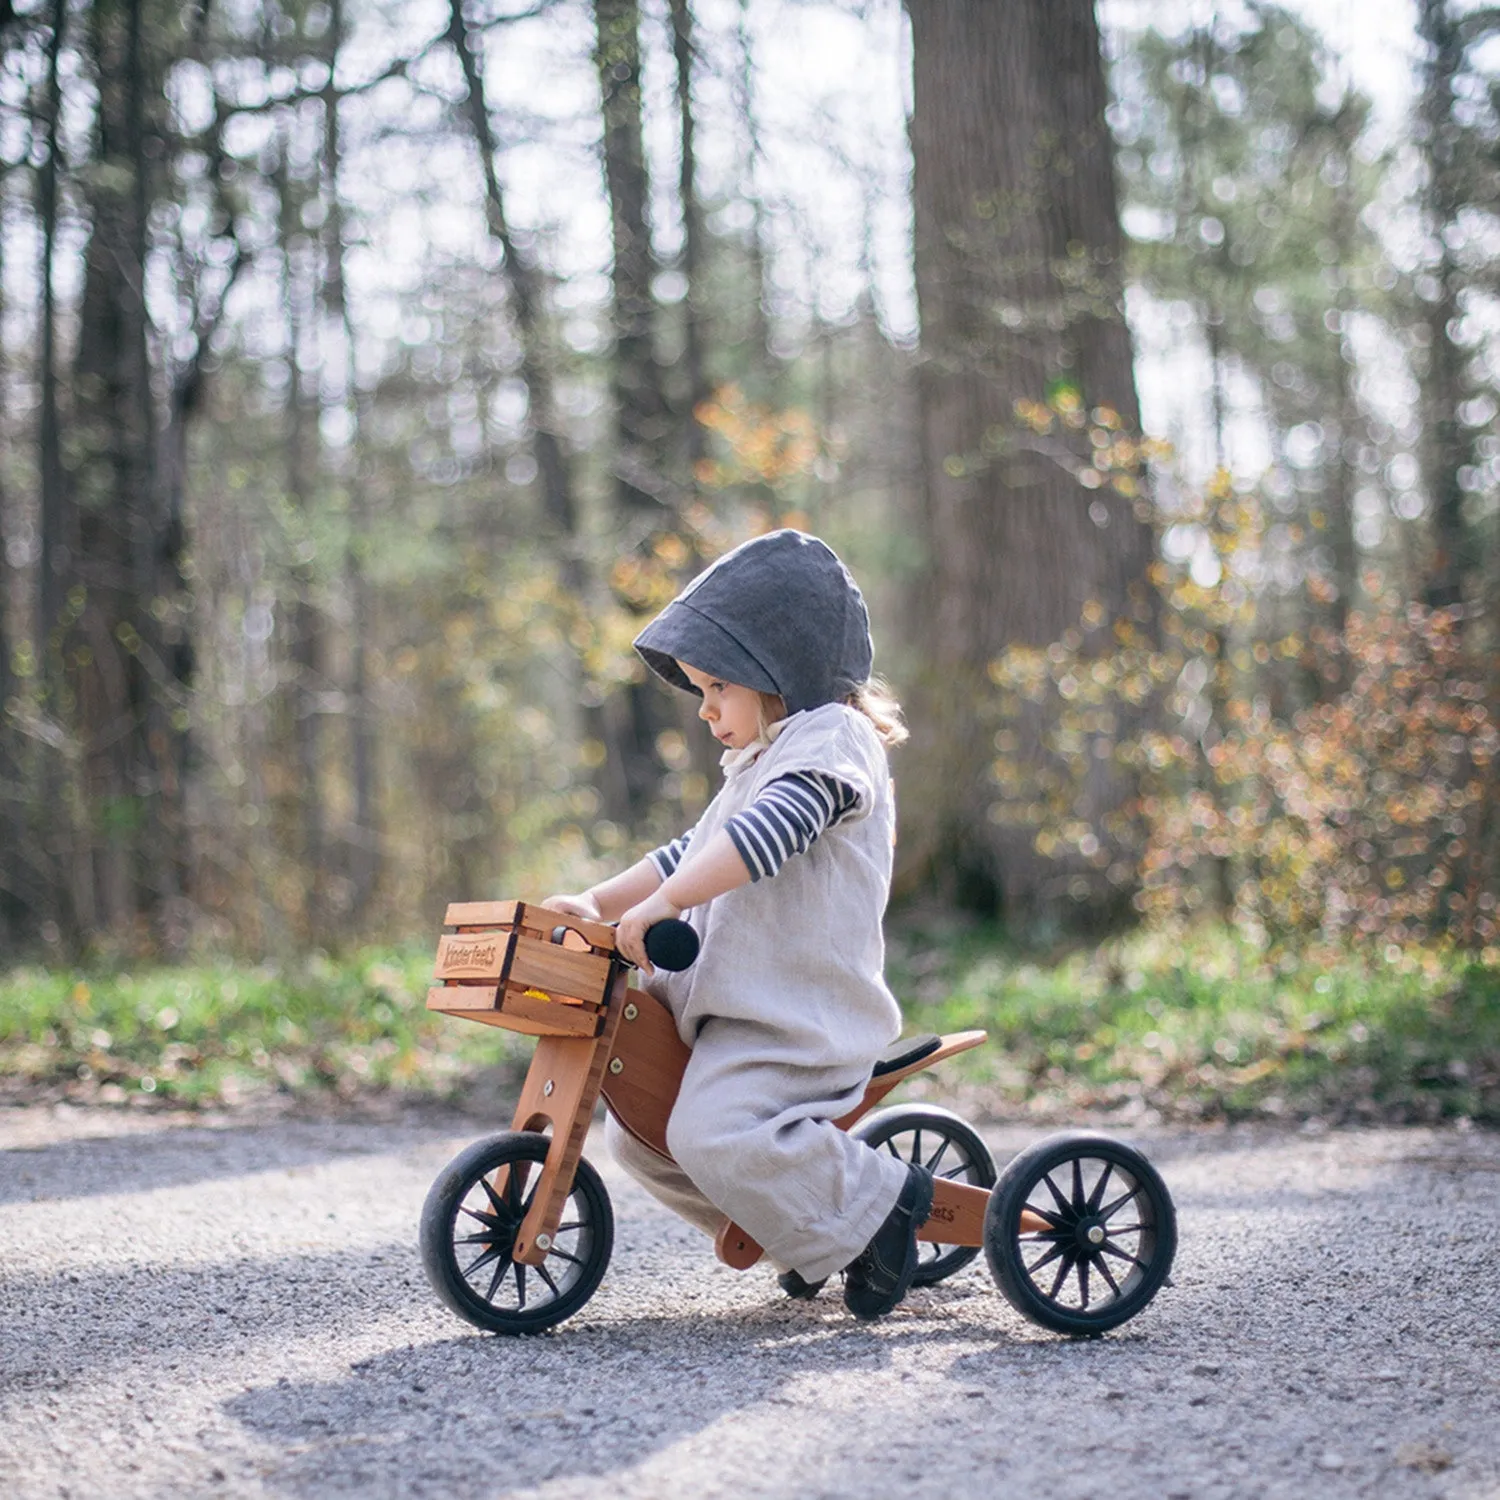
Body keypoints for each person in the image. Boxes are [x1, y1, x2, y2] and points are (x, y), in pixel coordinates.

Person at [545, 528, 931, 1319]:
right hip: (735, 1014)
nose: (707, 711)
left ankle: (881, 1207)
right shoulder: (763, 758)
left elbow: (764, 838)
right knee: (640, 1134)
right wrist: (601, 903)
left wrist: (670, 903)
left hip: (798, 1017)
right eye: (700, 692)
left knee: (714, 1132)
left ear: (778, 671)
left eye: (718, 687)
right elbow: (691, 851)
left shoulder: (832, 745)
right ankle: (804, 1231)